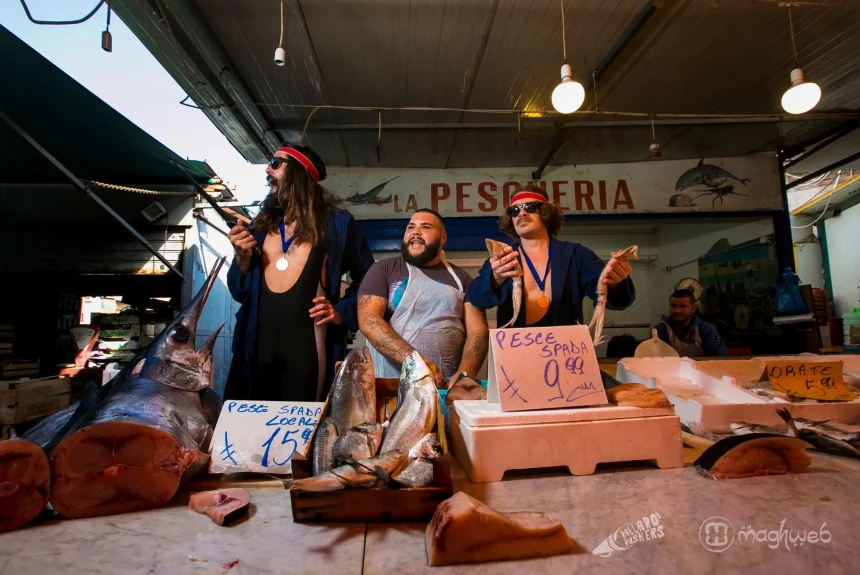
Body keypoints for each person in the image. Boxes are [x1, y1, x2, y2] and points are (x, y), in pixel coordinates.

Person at [225, 145, 374, 402]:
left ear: (299, 172)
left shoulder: (336, 225)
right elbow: (239, 292)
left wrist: (342, 310)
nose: (267, 170)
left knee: (305, 429)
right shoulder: (260, 226)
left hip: (309, 350)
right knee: (253, 429)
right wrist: (242, 257)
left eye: (275, 163)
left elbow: (369, 278)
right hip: (257, 347)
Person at [469, 184, 635, 328]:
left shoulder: (576, 255)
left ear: (546, 212)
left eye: (530, 207)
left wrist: (616, 282)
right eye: (514, 210)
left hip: (564, 351)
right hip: (516, 351)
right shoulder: (503, 259)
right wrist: (494, 279)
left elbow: (617, 300)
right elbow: (476, 298)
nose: (521, 214)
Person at [357, 209, 489, 389]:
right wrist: (414, 361)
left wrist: (465, 375)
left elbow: (478, 332)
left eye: (425, 227)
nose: (416, 232)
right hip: (392, 390)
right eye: (411, 227)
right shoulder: (383, 269)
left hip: (445, 390)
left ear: (443, 238)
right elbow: (368, 319)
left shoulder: (462, 279)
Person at [654, 289, 727, 356]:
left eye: (683, 306)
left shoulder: (705, 330)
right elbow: (655, 361)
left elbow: (720, 359)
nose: (677, 310)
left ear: (693, 308)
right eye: (673, 306)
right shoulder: (661, 330)